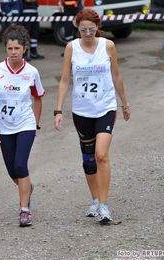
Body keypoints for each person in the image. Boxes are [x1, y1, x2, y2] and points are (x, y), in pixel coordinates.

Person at [54, 9, 131, 224]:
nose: (87, 33)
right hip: (82, 111)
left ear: (98, 27)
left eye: (91, 29)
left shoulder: (108, 46)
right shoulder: (71, 48)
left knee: (101, 155)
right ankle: (95, 199)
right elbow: (64, 80)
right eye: (83, 30)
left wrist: (124, 103)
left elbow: (116, 75)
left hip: (105, 108)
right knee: (88, 160)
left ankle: (105, 206)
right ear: (77, 29)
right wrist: (58, 110)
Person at [0, 24, 45, 227]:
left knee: (20, 165)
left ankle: (24, 210)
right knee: (12, 172)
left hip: (25, 123)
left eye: (17, 48)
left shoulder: (32, 72)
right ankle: (27, 187)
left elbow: (37, 98)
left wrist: (35, 124)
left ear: (24, 48)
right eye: (10, 48)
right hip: (4, 126)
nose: (13, 52)